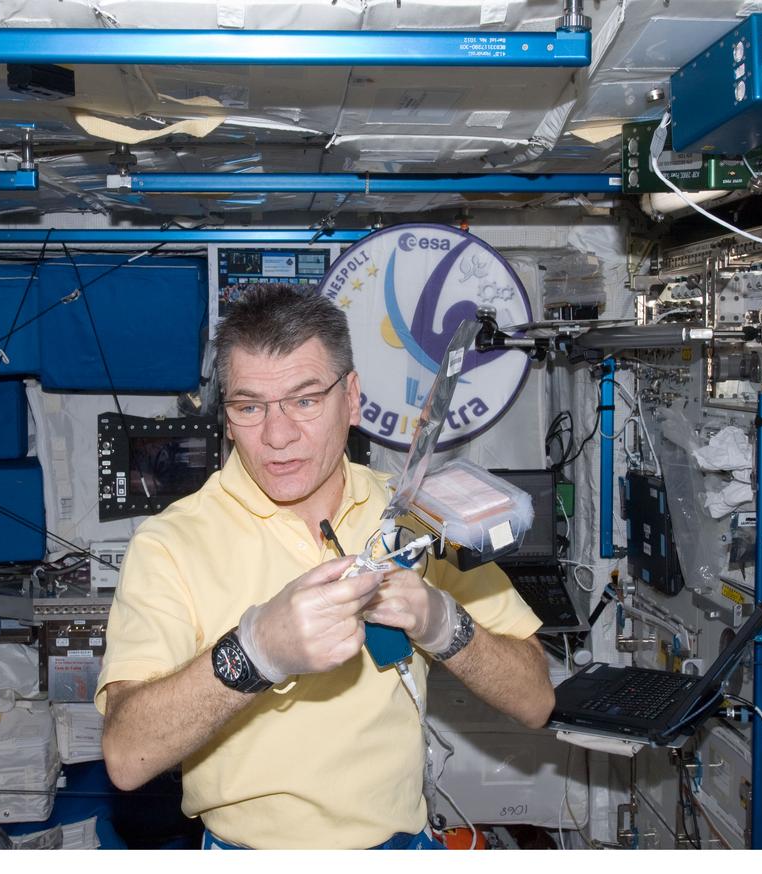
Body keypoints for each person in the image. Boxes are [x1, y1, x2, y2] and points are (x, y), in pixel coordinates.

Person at [95, 284, 554, 849]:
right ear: (227, 417)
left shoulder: (413, 518)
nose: (278, 436)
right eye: (249, 407)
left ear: (352, 398)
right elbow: (126, 757)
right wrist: (253, 653)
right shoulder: (170, 544)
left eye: (305, 400)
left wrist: (443, 623)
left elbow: (536, 700)